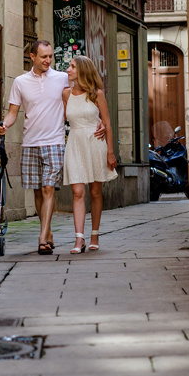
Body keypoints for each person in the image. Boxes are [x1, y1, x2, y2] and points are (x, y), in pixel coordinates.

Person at [0, 40, 104, 255]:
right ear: (32, 57)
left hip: (55, 141)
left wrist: (98, 120)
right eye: (43, 56)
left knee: (48, 188)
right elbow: (13, 112)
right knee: (38, 191)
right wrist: (4, 125)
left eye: (50, 56)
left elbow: (86, 96)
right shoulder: (20, 82)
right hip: (30, 142)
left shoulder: (63, 78)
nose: (48, 60)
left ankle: (43, 238)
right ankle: (48, 232)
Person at [62, 56, 117, 253]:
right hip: (75, 144)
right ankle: (79, 239)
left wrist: (110, 153)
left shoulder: (97, 94)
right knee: (77, 192)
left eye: (72, 67)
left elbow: (107, 123)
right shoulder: (66, 94)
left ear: (83, 71)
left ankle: (94, 236)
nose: (68, 69)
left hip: (95, 144)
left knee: (95, 192)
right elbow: (61, 119)